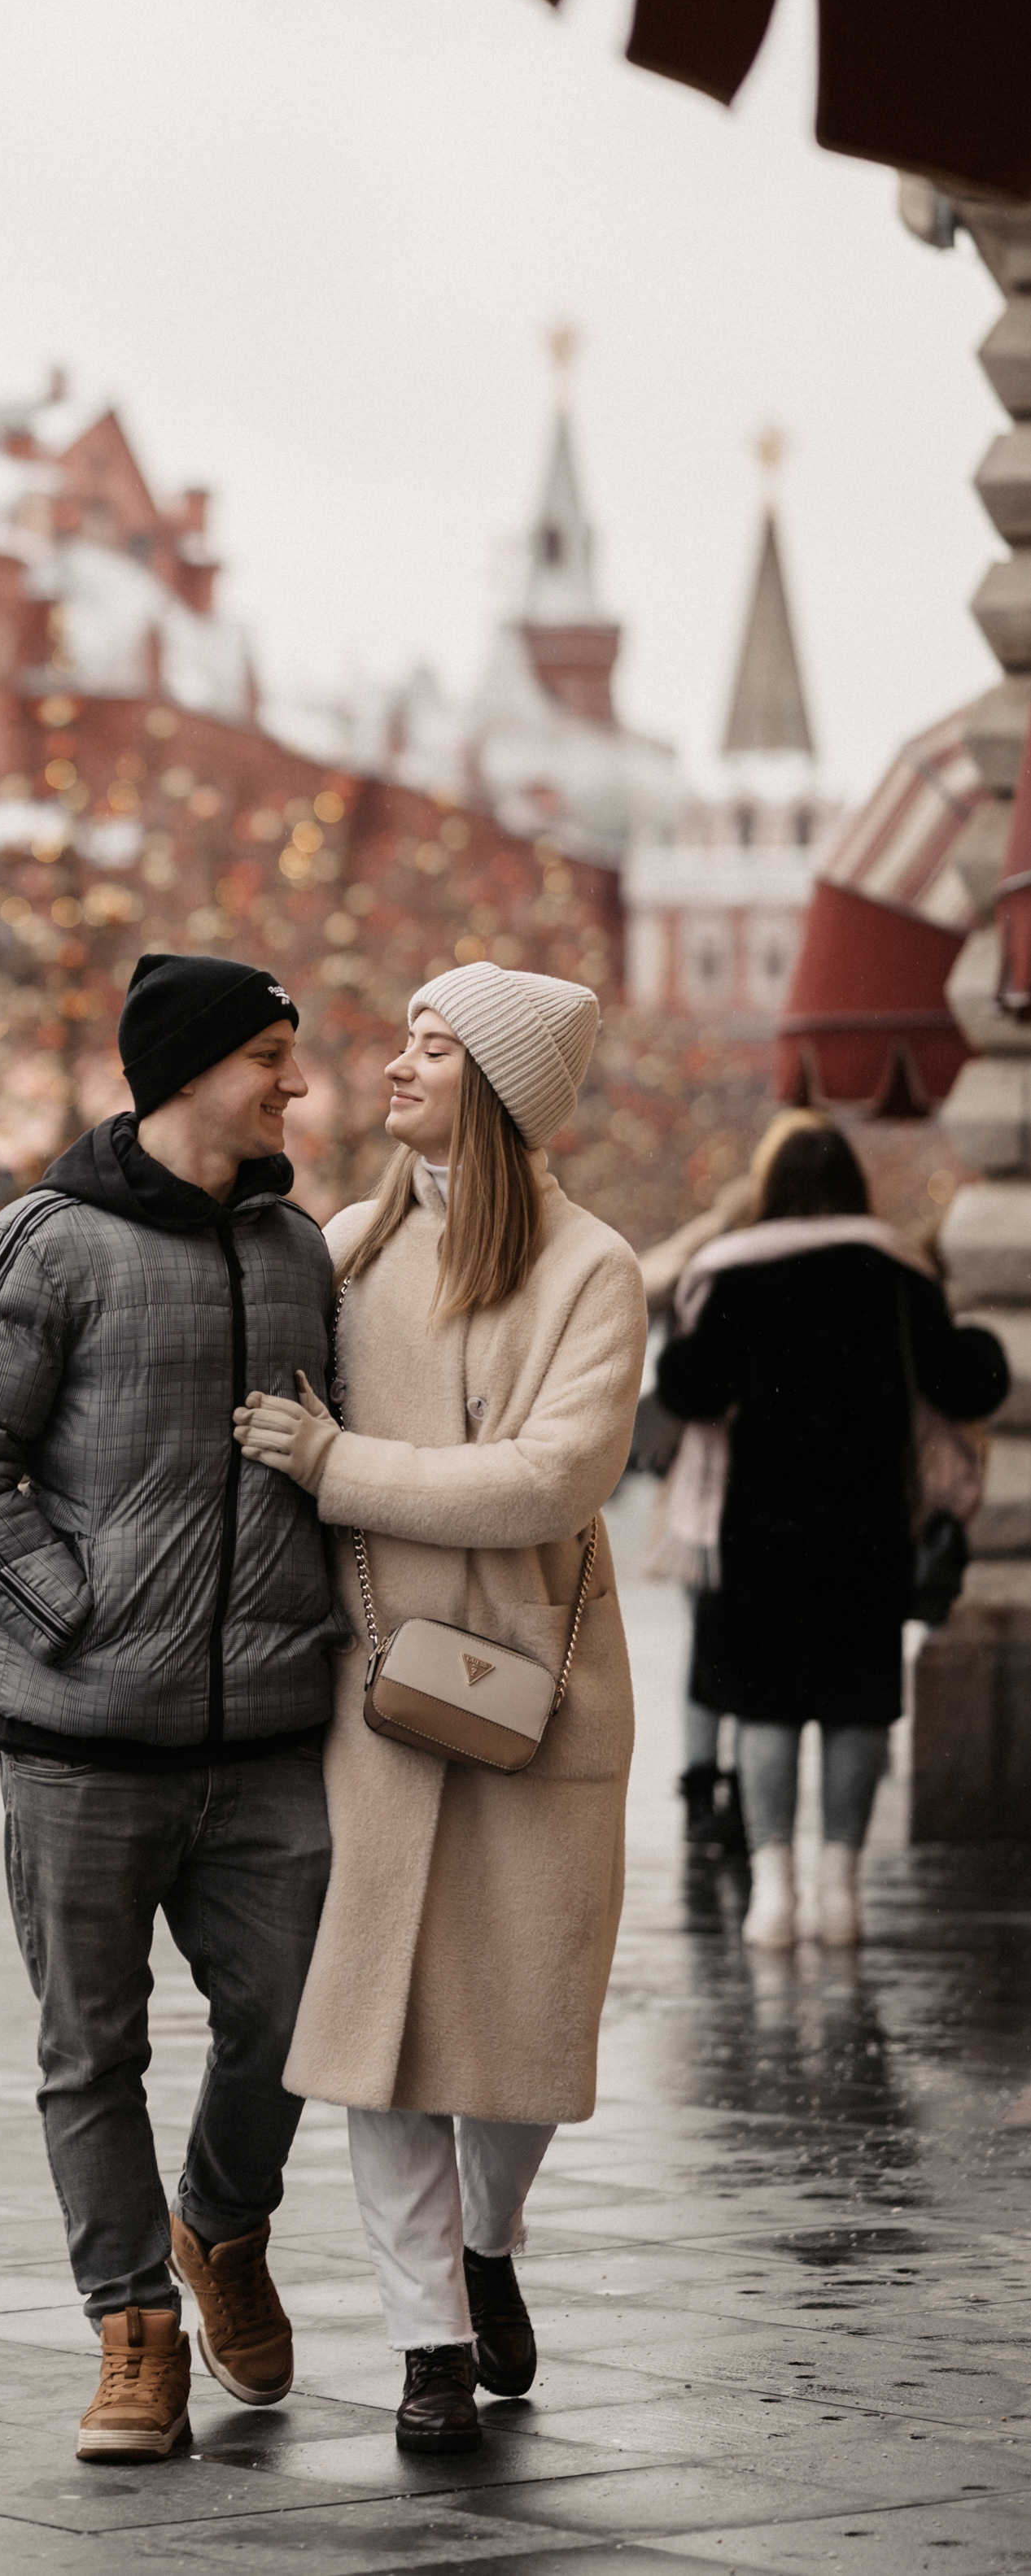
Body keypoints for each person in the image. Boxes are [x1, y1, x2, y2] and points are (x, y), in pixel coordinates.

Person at [0, 952, 339, 2468]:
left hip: (270, 1738)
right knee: (90, 2051)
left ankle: (220, 2224)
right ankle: (133, 2330)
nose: (295, 1084)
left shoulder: (298, 1248)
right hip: (80, 1746)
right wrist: (78, 1621)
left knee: (293, 2021)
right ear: (190, 1068)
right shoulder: (43, 1242)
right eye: (271, 1056)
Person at [236, 962, 644, 2457]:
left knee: (521, 2030)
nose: (395, 1068)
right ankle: (428, 2340)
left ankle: (487, 2238)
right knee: (380, 2033)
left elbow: (554, 1475)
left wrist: (337, 1465)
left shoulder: (592, 1268)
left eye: (431, 1048)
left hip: (538, 1696)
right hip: (372, 1695)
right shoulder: (347, 1244)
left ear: (499, 1084)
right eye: (402, 1043)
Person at [657, 1122, 1006, 1951]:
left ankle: (773, 1892)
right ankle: (840, 1890)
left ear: (770, 1188)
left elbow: (688, 1389)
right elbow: (966, 1381)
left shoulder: (734, 1271)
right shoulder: (896, 1271)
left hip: (760, 1530)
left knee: (766, 1708)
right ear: (854, 1185)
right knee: (857, 1705)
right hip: (868, 1527)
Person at [636, 1108, 823, 1854]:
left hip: (704, 1496)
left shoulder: (713, 1257)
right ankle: (741, 1794)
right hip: (780, 1491)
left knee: (711, 1646)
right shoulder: (807, 1263)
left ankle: (701, 1790)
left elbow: (647, 1291)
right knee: (761, 1653)